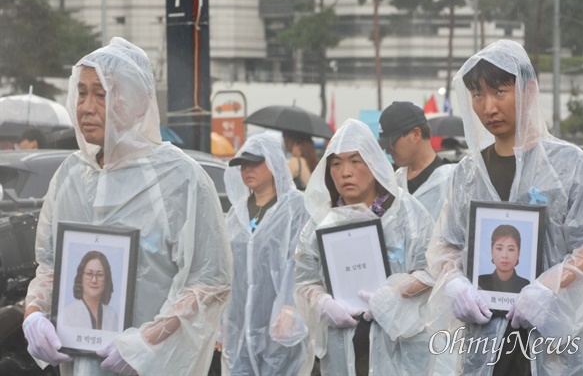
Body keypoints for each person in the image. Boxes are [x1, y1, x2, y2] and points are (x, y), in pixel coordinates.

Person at [21, 37, 232, 375]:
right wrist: (34, 313)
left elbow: (209, 280)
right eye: (83, 92)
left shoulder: (180, 180)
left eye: (101, 94)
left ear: (137, 101)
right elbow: (50, 266)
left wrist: (147, 341)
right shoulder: (71, 176)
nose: (85, 106)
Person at [426, 39, 583, 375]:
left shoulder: (569, 165)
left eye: (499, 92)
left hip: (553, 346)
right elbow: (446, 245)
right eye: (477, 95)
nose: (488, 106)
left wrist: (548, 286)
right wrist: (454, 281)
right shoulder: (468, 173)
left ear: (529, 90)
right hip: (483, 345)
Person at [294, 119, 436, 375]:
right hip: (342, 346)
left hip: (400, 346)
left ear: (373, 162)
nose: (345, 172)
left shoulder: (406, 213)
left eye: (355, 161)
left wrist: (397, 293)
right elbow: (305, 279)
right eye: (336, 163)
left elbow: (433, 269)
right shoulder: (320, 222)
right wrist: (323, 302)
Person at [221, 132, 313, 375]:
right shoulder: (236, 213)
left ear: (273, 162)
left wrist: (290, 309)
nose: (247, 170)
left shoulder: (296, 208)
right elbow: (227, 269)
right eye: (243, 165)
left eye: (255, 163)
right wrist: (222, 323)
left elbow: (301, 263)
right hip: (239, 324)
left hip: (280, 322)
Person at [378, 101, 455, 220]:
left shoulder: (451, 181)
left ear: (416, 134)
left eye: (392, 143)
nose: (388, 151)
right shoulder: (393, 181)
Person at [62, 251, 119, 331]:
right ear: (81, 277)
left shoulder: (112, 315)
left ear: (106, 279)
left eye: (99, 275)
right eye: (89, 274)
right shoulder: (67, 314)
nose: (94, 280)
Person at [478, 225, 530, 294]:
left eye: (511, 249)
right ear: (492, 252)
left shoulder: (527, 286)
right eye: (499, 248)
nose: (504, 255)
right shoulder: (480, 282)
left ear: (518, 254)